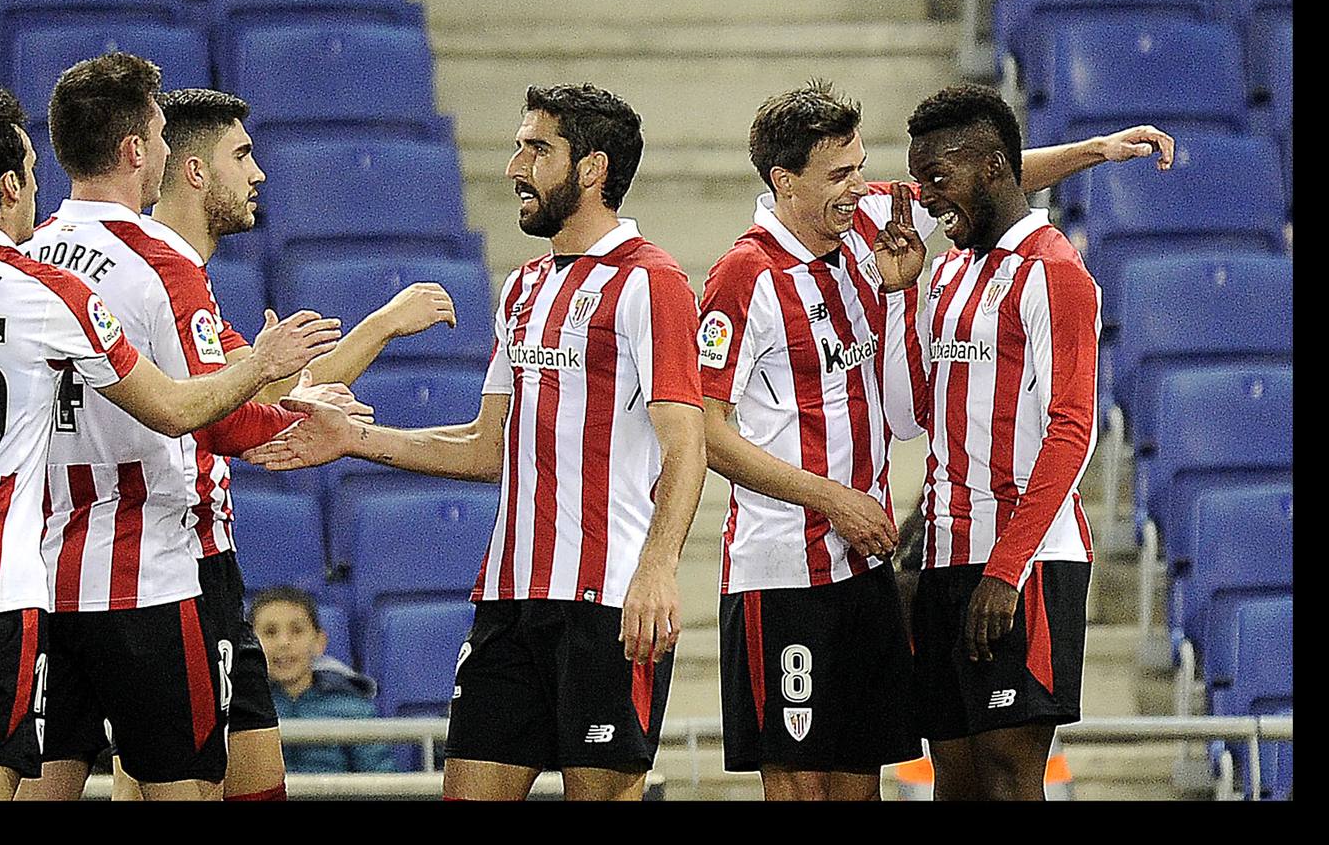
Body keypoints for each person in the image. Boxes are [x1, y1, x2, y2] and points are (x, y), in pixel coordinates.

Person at [0, 89, 330, 800]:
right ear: (10, 186)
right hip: (14, 587)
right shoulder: (48, 291)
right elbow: (179, 411)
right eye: (28, 168)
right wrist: (262, 367)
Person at [700, 80, 1176, 800]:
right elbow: (705, 431)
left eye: (861, 168)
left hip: (902, 566)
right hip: (796, 566)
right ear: (784, 182)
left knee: (932, 778)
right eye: (840, 175)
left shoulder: (891, 232)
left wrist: (1096, 152)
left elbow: (985, 174)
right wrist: (834, 496)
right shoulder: (749, 274)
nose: (863, 189)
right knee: (873, 780)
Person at [245, 84, 708, 801]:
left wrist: (658, 568)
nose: (514, 165)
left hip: (606, 602)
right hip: (508, 600)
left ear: (592, 169)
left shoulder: (653, 283)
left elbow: (687, 442)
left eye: (537, 148)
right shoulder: (523, 288)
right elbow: (488, 446)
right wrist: (352, 438)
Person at [9, 54, 347, 802]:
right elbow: (210, 419)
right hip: (153, 574)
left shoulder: (25, 258)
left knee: (48, 780)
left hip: (41, 568)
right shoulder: (159, 261)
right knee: (185, 784)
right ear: (138, 149)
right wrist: (279, 390)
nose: (163, 152)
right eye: (159, 135)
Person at [106, 86, 452, 801]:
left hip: (184, 568)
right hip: (170, 566)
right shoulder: (156, 274)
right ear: (196, 172)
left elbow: (262, 396)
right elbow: (243, 417)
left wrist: (379, 328)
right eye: (242, 155)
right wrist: (306, 415)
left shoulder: (181, 279)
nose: (259, 173)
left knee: (203, 777)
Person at [879, 83, 1108, 800]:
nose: (928, 197)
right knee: (955, 778)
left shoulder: (1055, 271)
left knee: (1010, 775)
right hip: (946, 557)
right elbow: (910, 414)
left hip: (1025, 561)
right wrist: (898, 297)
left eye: (940, 179)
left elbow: (1074, 430)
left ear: (995, 168)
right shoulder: (945, 270)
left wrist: (1006, 570)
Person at [252, 587, 396, 773]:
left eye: (296, 631)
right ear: (250, 642)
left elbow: (382, 781)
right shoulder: (240, 708)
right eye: (270, 632)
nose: (283, 643)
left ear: (319, 642)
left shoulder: (353, 708)